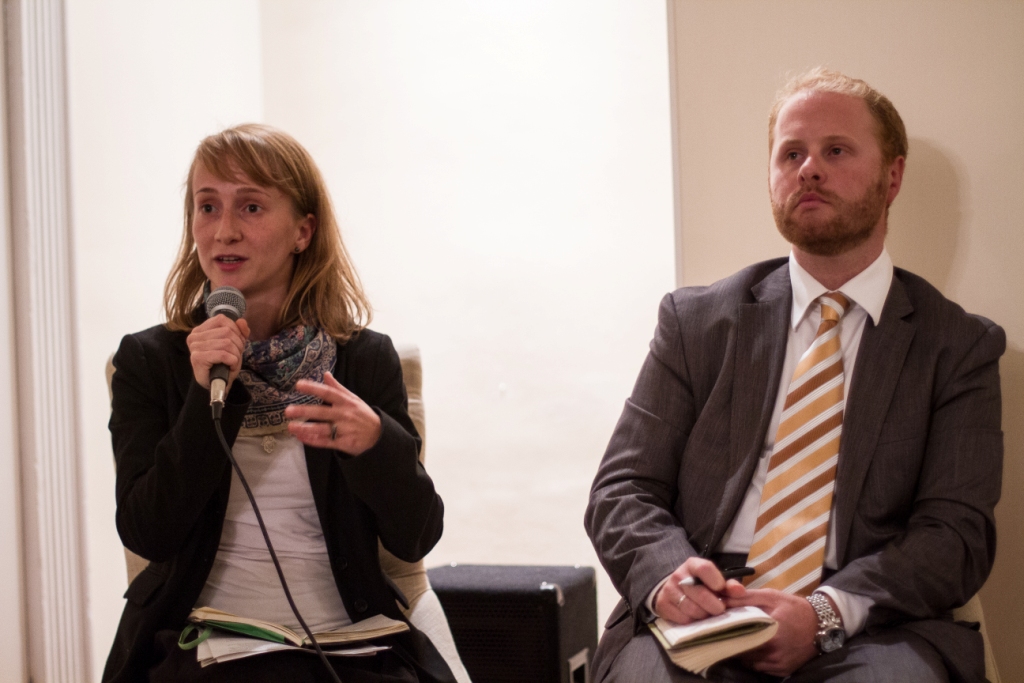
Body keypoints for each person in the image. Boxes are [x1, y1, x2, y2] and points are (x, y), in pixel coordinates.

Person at [585, 68, 1004, 683]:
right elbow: (622, 489)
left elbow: (956, 534)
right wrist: (671, 578)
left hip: (871, 620)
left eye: (836, 151)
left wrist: (826, 612)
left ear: (893, 176)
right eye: (791, 154)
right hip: (705, 601)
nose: (808, 169)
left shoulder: (957, 346)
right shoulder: (696, 323)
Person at [103, 124, 456, 683]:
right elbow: (148, 533)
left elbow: (416, 537)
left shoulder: (363, 361)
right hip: (207, 642)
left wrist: (375, 443)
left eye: (250, 207)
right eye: (207, 206)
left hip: (349, 642)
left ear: (303, 231)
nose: (224, 230)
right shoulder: (153, 361)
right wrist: (204, 396)